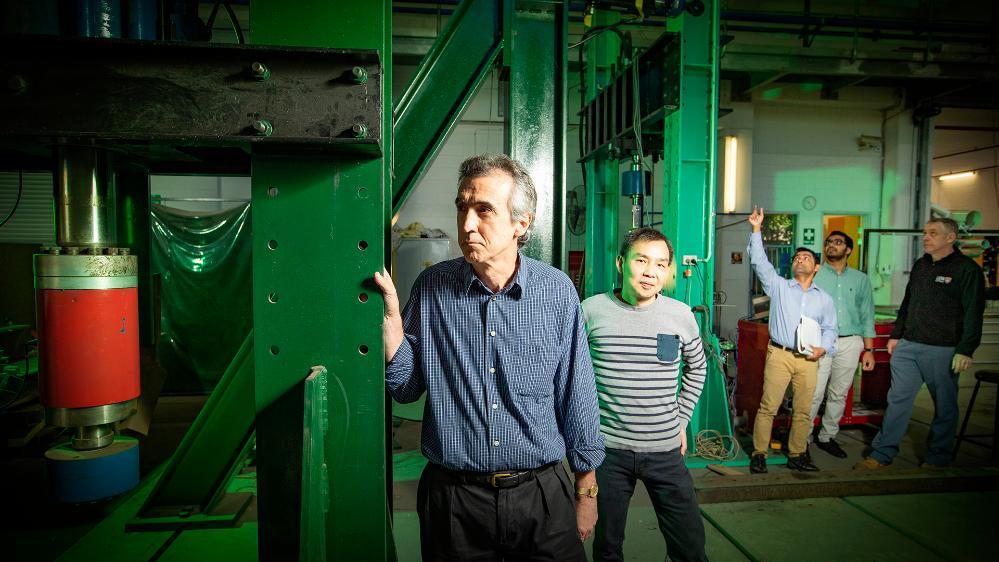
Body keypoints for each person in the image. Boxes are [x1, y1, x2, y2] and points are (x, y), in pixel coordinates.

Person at [374, 154, 605, 561]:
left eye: (484, 210)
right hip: (455, 502)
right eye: (462, 207)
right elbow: (406, 389)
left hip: (541, 496)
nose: (466, 224)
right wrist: (393, 330)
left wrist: (586, 491)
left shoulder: (556, 292)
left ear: (521, 224)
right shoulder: (432, 288)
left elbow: (577, 395)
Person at [582, 228, 708, 562]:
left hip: (665, 451)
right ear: (621, 263)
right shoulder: (590, 312)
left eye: (661, 264)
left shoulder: (680, 316)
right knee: (607, 547)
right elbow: (572, 377)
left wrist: (681, 420)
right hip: (609, 453)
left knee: (690, 547)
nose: (651, 272)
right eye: (642, 261)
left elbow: (698, 368)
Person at [855, 217, 985, 469]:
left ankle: (937, 458)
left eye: (933, 233)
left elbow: (973, 312)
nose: (926, 237)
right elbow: (908, 303)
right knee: (897, 401)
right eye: (925, 232)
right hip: (908, 346)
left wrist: (965, 349)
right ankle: (881, 454)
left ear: (951, 237)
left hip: (943, 350)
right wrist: (896, 335)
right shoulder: (921, 265)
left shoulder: (966, 270)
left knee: (945, 406)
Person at [747, 207, 838, 473]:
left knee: (803, 410)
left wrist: (823, 349)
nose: (800, 260)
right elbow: (759, 262)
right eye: (797, 257)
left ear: (816, 267)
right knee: (768, 407)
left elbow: (831, 329)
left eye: (806, 257)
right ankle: (759, 453)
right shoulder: (779, 287)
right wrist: (756, 229)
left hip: (809, 359)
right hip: (780, 354)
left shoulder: (824, 299)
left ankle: (797, 454)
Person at [808, 231, 877, 458]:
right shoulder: (814, 275)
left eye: (838, 242)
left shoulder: (860, 279)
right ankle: (802, 438)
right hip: (819, 342)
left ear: (848, 250)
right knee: (814, 393)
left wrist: (869, 350)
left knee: (839, 393)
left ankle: (827, 436)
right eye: (828, 242)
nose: (831, 246)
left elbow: (867, 315)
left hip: (851, 342)